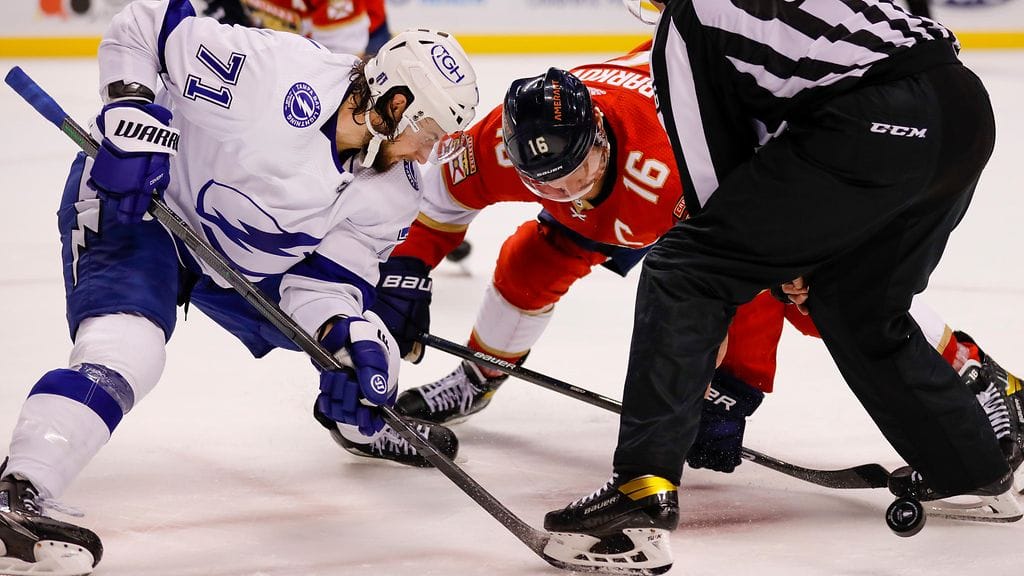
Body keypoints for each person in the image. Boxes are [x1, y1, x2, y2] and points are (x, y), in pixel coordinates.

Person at [369, 47, 1023, 485]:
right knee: (529, 259)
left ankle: (973, 369)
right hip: (631, 210)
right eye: (546, 183)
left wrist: (734, 387)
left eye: (575, 174)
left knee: (827, 297)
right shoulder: (504, 144)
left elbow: (749, 274)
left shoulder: (682, 161)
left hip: (735, 179)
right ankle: (477, 376)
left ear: (600, 135)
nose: (562, 192)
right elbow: (440, 201)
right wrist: (408, 273)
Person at [0, 1, 479, 574]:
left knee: (363, 347)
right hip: (146, 204)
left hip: (236, 262)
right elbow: (149, 25)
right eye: (429, 132)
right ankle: (20, 487)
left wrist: (344, 333)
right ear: (394, 105)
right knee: (130, 347)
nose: (430, 152)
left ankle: (360, 422)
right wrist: (130, 114)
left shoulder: (395, 187)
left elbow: (323, 282)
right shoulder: (279, 74)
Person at [539, 0, 1016, 570]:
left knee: (686, 268)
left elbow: (714, 186)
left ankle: (639, 495)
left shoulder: (686, 22)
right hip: (962, 110)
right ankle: (971, 470)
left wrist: (771, 259)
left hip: (875, 122)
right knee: (856, 305)